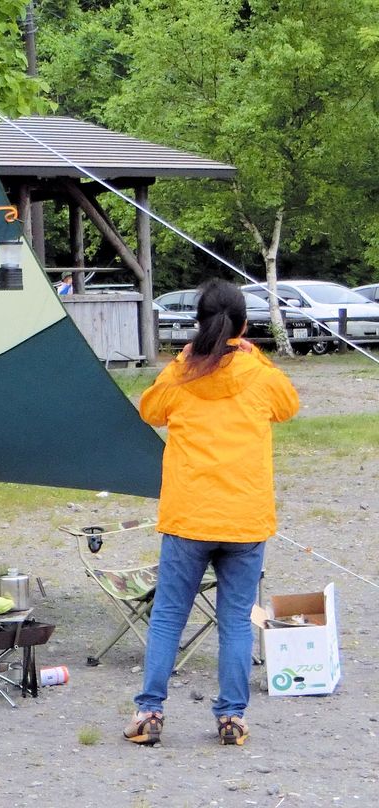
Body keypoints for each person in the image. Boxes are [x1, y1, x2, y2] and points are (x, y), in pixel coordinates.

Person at [124, 279, 299, 747]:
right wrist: (252, 354)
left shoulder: (181, 374)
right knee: (237, 620)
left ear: (198, 325)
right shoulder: (260, 375)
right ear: (244, 326)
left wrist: (185, 358)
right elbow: (289, 405)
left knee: (167, 617)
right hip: (245, 520)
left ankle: (149, 712)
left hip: (188, 519)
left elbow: (149, 411)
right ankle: (232, 717)